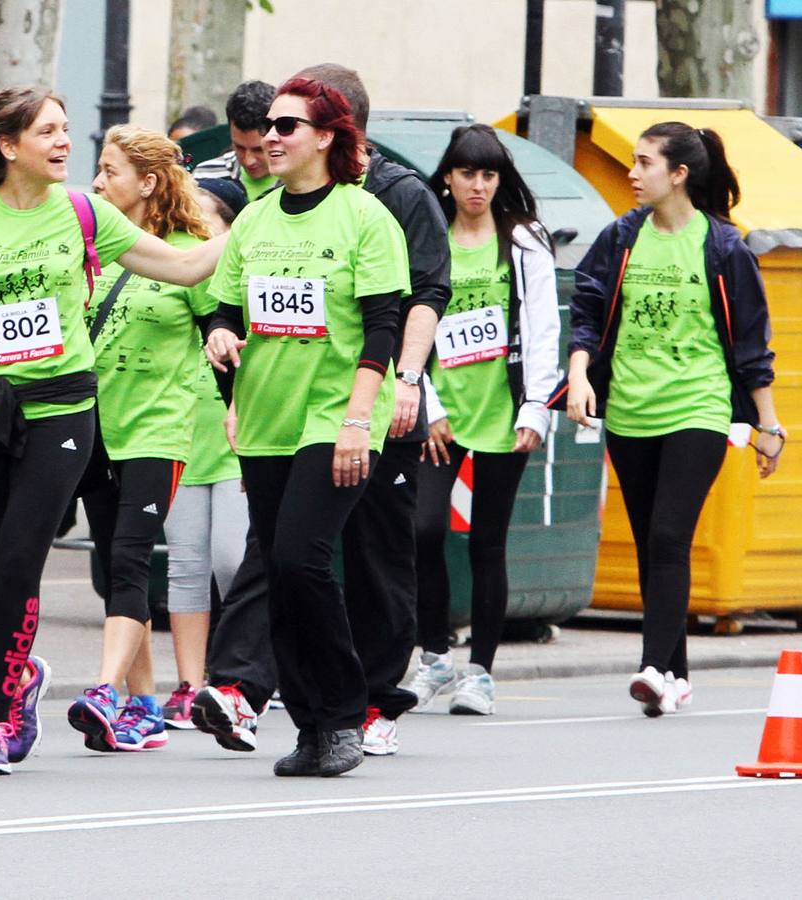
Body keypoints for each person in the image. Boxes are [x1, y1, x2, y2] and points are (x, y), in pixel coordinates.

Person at [0, 86, 224, 776]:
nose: (65, 143)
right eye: (49, 131)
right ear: (9, 146)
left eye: (67, 129)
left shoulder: (84, 212)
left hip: (62, 408)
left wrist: (261, 218)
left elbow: (187, 264)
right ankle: (19, 673)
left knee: (19, 557)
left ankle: (0, 716)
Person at [202, 76, 409, 778]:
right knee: (285, 577)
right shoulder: (255, 222)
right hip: (265, 416)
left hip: (336, 416)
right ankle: (311, 726)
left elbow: (384, 324)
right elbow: (225, 311)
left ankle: (346, 713)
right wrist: (221, 341)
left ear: (327, 137)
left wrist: (358, 418)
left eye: (288, 126)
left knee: (299, 559)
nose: (273, 136)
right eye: (269, 125)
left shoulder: (365, 218)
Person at [562, 122, 781, 717]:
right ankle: (678, 674)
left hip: (699, 406)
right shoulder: (622, 238)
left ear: (678, 174)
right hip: (632, 411)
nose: (632, 174)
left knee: (667, 537)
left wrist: (769, 425)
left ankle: (654, 669)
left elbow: (752, 345)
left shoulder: (724, 247)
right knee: (653, 544)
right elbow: (586, 308)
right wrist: (580, 375)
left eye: (643, 163)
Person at [295, 63, 448, 758]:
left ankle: (383, 697)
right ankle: (324, 695)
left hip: (380, 400)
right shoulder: (289, 196)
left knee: (381, 553)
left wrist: (406, 379)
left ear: (339, 129)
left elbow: (423, 295)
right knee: (304, 556)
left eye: (293, 123)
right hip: (305, 409)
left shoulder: (398, 194)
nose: (279, 135)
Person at [67, 124, 217, 753]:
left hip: (159, 429)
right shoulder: (90, 246)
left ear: (149, 183)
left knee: (130, 555)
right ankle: (145, 705)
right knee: (112, 560)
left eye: (110, 172)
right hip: (95, 425)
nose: (97, 183)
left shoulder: (191, 251)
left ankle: (103, 689)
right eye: (97, 170)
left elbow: (221, 332)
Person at [403, 125, 561, 716]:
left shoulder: (521, 240)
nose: (478, 185)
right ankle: (435, 655)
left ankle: (481, 673)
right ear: (447, 176)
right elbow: (410, 316)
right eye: (467, 173)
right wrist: (427, 404)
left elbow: (543, 325)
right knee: (423, 532)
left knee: (488, 543)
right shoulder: (431, 236)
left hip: (504, 408)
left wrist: (535, 408)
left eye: (488, 175)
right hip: (440, 411)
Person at [160, 177, 246, 731]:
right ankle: (192, 687)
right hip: (181, 434)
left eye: (205, 219)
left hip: (241, 438)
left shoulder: (245, 288)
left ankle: (245, 672)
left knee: (233, 560)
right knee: (186, 565)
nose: (194, 229)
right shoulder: (168, 275)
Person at [192, 81, 278, 204]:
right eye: (239, 147)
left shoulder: (300, 179)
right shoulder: (205, 175)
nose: (249, 161)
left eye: (258, 149)